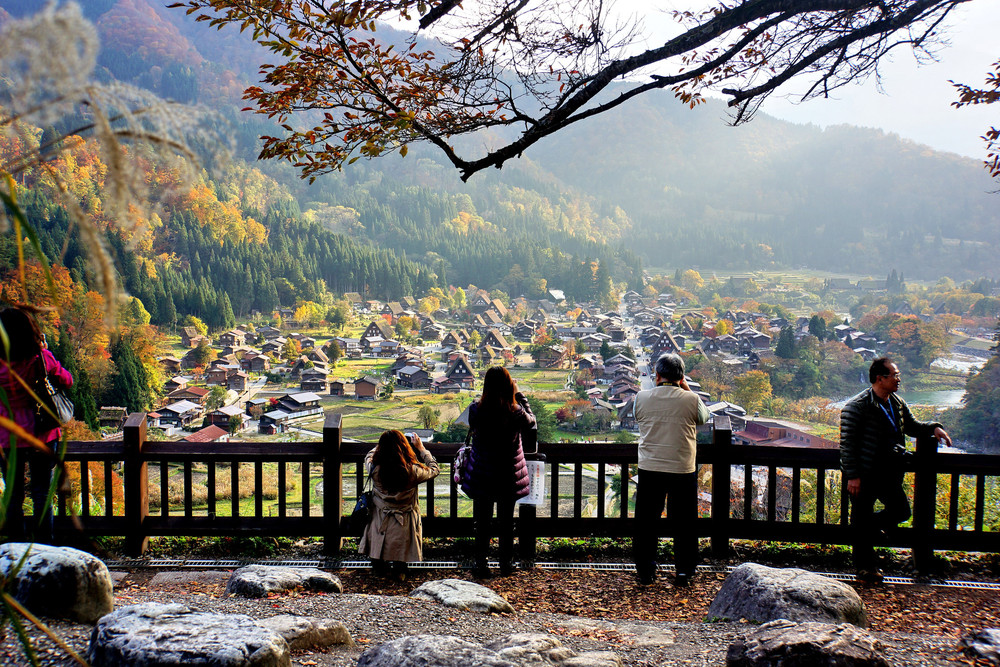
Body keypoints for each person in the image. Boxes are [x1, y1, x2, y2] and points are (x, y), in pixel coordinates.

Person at [840, 357, 951, 583]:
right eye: (895, 375)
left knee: (900, 512)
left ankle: (867, 530)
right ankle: (865, 569)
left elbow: (912, 426)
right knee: (862, 516)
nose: (898, 379)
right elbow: (847, 444)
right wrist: (853, 476)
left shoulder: (896, 402)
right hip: (864, 473)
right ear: (880, 378)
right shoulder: (857, 406)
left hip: (889, 473)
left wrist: (934, 428)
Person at [632, 353, 709, 587]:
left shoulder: (642, 398)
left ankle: (645, 570)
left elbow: (637, 416)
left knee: (646, 522)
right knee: (684, 522)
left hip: (650, 467)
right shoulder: (691, 399)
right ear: (681, 376)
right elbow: (704, 418)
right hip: (682, 468)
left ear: (657, 375)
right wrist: (685, 388)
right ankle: (684, 570)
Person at [0, 306, 74, 543]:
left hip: (7, 436)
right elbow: (67, 380)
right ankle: (45, 546)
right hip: (42, 432)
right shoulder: (40, 358)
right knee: (42, 492)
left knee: (12, 495)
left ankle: (16, 548)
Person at [461, 366, 536, 577]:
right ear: (509, 385)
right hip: (507, 475)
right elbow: (531, 423)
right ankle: (505, 564)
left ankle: (481, 564)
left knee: (482, 521)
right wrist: (520, 396)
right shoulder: (516, 413)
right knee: (506, 522)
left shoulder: (476, 409)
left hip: (482, 474)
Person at [359, 429, 440, 581]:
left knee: (379, 536)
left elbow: (368, 457)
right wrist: (422, 449)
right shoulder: (413, 471)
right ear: (404, 447)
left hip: (381, 513)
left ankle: (378, 567)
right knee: (400, 540)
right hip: (405, 514)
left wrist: (382, 445)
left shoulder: (375, 469)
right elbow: (434, 469)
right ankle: (399, 569)